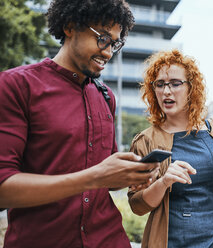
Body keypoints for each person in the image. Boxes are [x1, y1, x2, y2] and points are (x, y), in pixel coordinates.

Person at [0, 0, 160, 247]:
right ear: (70, 26)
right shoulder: (16, 86)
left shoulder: (106, 96)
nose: (108, 52)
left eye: (115, 43)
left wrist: (130, 174)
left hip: (110, 239)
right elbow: (3, 187)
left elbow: (106, 178)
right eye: (103, 38)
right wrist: (94, 176)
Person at [128, 49, 213, 248]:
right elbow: (137, 206)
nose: (166, 91)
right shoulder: (145, 141)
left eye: (175, 83)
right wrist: (164, 182)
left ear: (191, 88)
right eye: (160, 84)